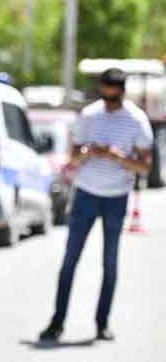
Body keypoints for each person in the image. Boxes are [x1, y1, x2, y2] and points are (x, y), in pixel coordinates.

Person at [39, 68, 152, 342]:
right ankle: (57, 321)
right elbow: (73, 158)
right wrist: (87, 154)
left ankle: (102, 323)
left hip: (116, 197)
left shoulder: (136, 120)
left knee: (110, 261)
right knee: (70, 260)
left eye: (114, 98)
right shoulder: (89, 116)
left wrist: (116, 157)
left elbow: (144, 167)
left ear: (123, 93)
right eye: (105, 95)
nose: (109, 101)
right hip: (86, 194)